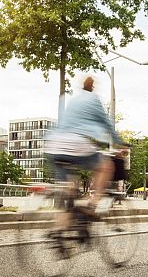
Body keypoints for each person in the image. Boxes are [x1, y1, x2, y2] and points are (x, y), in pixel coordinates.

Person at [43, 76, 128, 219]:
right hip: (75, 143)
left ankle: (59, 234)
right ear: (92, 87)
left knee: (67, 192)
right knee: (106, 167)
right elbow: (106, 123)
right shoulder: (93, 100)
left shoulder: (73, 100)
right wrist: (119, 142)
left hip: (54, 145)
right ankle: (92, 205)